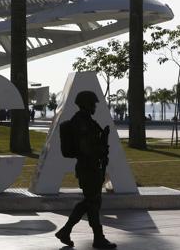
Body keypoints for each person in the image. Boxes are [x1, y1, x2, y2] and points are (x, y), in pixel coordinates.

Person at [55, 91, 116, 249]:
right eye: (93, 104)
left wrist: (103, 138)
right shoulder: (81, 122)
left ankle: (71, 233)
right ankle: (92, 237)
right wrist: (102, 148)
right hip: (88, 167)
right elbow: (86, 148)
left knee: (92, 202)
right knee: (91, 202)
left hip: (91, 166)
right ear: (87, 104)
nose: (95, 106)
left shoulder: (87, 121)